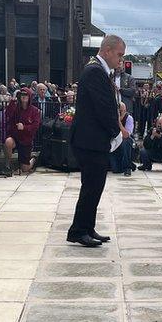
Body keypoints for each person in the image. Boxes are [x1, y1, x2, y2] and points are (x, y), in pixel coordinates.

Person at [66, 35, 126, 248]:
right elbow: (102, 109)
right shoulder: (95, 72)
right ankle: (78, 231)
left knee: (94, 186)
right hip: (90, 141)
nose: (120, 60)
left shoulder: (97, 70)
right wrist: (117, 132)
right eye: (119, 55)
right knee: (91, 187)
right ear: (107, 50)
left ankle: (87, 227)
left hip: (91, 140)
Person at [1, 87, 40, 174]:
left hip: (26, 140)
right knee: (8, 142)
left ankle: (33, 159)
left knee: (25, 169)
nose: (24, 96)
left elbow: (35, 126)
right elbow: (7, 114)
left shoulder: (35, 111)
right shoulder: (16, 108)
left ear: (29, 97)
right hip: (15, 137)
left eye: (26, 94)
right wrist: (13, 100)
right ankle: (7, 166)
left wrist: (24, 127)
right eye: (22, 94)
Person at [111, 102, 135, 176]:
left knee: (126, 141)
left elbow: (126, 135)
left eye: (121, 111)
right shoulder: (111, 118)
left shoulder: (129, 118)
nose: (119, 113)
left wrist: (119, 122)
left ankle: (128, 167)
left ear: (125, 111)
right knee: (116, 170)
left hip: (124, 142)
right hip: (114, 143)